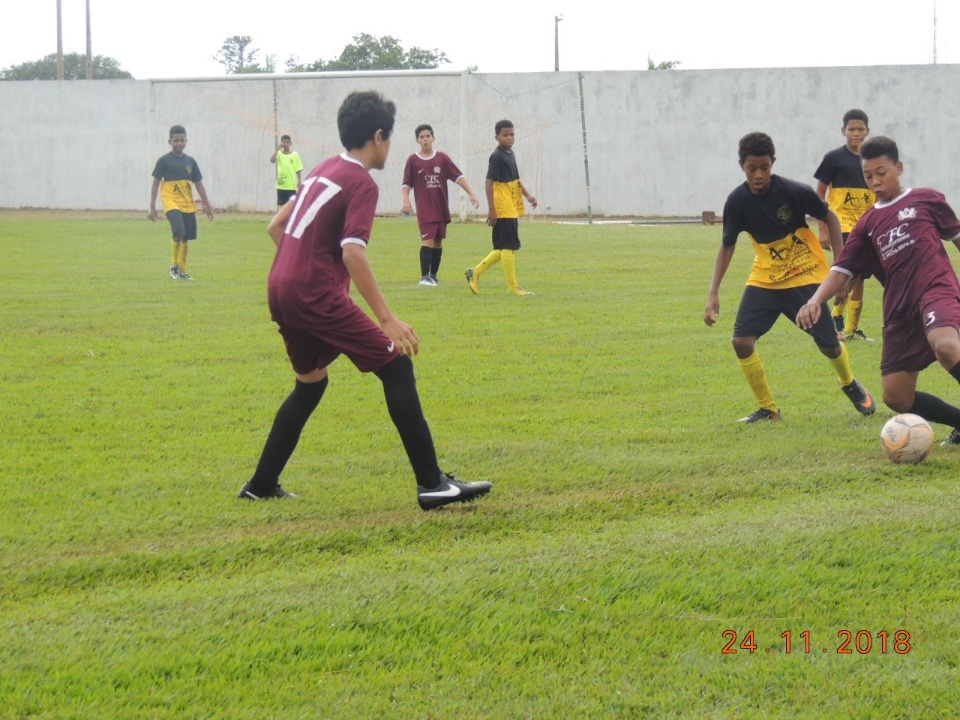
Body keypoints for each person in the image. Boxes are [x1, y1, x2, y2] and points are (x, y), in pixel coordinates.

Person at [238, 91, 492, 510]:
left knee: (310, 384)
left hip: (280, 287)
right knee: (396, 366)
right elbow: (353, 252)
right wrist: (387, 319)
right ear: (377, 137)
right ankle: (432, 484)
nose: (389, 148)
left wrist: (300, 267)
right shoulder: (361, 182)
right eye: (389, 139)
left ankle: (261, 484)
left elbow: (275, 226)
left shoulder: (323, 168)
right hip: (313, 293)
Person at [798, 136, 960, 445]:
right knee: (896, 396)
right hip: (900, 309)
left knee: (945, 345)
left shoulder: (926, 199)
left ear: (898, 168)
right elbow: (841, 269)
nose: (875, 181)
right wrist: (816, 299)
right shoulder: (867, 224)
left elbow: (957, 237)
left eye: (882, 172)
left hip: (935, 290)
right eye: (868, 175)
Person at [704, 131, 876, 423]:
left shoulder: (794, 192)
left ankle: (848, 382)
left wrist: (841, 267)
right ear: (741, 166)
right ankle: (769, 409)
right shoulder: (737, 201)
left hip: (805, 275)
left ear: (773, 163)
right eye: (751, 169)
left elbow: (830, 218)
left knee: (829, 346)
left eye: (764, 168)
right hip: (766, 279)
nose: (759, 175)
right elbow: (728, 245)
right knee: (741, 341)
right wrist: (713, 292)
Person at [814, 109, 876, 341]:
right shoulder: (833, 158)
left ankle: (850, 328)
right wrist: (823, 228)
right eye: (852, 129)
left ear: (868, 131)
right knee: (851, 273)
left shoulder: (872, 160)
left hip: (868, 225)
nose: (856, 133)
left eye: (861, 129)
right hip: (842, 227)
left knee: (860, 277)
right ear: (843, 131)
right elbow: (820, 192)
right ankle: (835, 317)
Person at [465, 119, 537, 296]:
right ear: (497, 136)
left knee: (501, 247)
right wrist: (492, 209)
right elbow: (489, 183)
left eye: (512, 134)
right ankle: (513, 287)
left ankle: (475, 272)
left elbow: (515, 180)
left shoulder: (510, 154)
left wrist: (527, 195)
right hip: (503, 207)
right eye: (505, 135)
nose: (509, 138)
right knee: (509, 246)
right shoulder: (496, 156)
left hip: (510, 203)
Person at [401, 124, 480, 286]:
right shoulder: (413, 160)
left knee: (438, 241)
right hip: (425, 208)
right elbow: (406, 183)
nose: (425, 139)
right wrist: (406, 200)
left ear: (433, 138)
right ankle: (424, 278)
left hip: (441, 207)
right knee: (427, 240)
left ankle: (433, 276)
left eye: (428, 136)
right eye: (422, 137)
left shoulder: (442, 158)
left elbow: (458, 176)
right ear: (417, 140)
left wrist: (471, 193)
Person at [149, 124, 214, 281]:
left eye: (182, 140)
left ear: (186, 141)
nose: (179, 143)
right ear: (169, 141)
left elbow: (198, 184)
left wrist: (207, 205)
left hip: (187, 202)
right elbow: (156, 183)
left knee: (186, 237)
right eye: (176, 140)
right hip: (171, 202)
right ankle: (174, 268)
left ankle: (182, 271)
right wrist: (152, 206)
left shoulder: (191, 162)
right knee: (178, 231)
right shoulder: (163, 161)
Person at [269, 134, 304, 208]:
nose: (285, 144)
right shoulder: (279, 154)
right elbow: (272, 160)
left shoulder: (295, 155)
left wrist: (299, 181)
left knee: (292, 206)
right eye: (283, 142)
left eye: (287, 142)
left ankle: (291, 219)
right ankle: (282, 219)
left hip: (291, 186)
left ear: (290, 144)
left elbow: (298, 169)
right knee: (281, 206)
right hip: (281, 185)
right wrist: (278, 148)